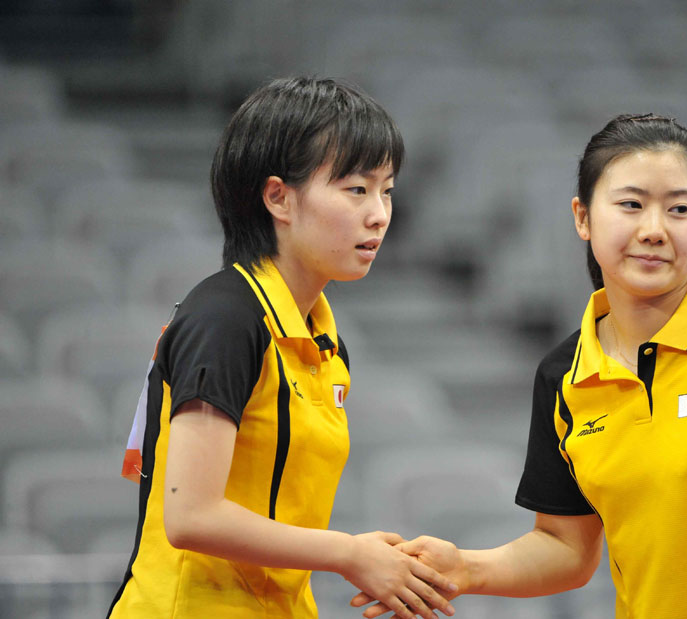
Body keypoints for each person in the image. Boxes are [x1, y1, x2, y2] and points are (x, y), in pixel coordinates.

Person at [351, 114, 687, 618]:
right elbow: (566, 549)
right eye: (631, 204)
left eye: (681, 209)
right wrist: (465, 568)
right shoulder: (563, 376)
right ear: (583, 217)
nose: (654, 230)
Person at [108, 77, 457, 619]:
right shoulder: (225, 319)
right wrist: (349, 554)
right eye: (356, 189)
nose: (379, 214)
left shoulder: (324, 342)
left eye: (386, 190)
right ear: (278, 198)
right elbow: (191, 516)